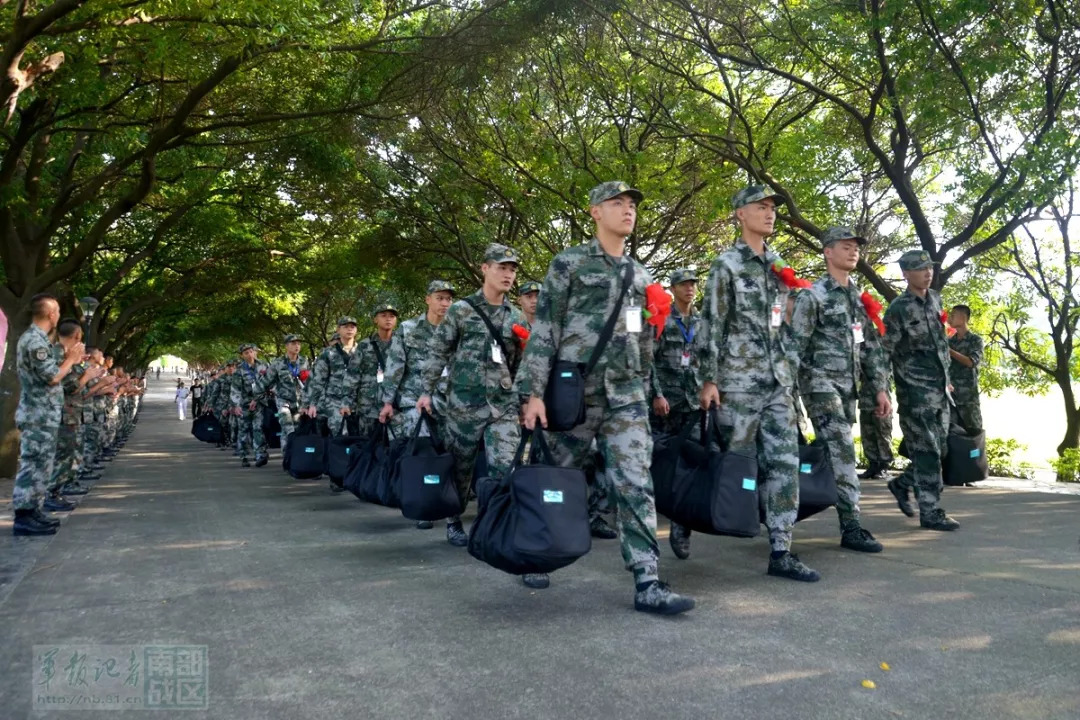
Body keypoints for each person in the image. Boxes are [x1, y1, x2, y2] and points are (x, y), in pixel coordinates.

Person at [518, 181, 694, 614]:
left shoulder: (641, 274)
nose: (628, 210)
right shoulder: (569, 263)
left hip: (627, 395)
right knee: (558, 475)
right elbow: (545, 332)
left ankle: (647, 579)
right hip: (575, 392)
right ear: (596, 212)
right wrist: (533, 394)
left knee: (636, 481)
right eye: (618, 203)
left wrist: (649, 388)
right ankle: (537, 552)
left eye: (632, 204)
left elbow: (646, 338)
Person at [697, 184, 820, 582]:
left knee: (785, 463)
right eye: (760, 207)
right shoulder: (727, 265)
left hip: (776, 383)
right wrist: (708, 379)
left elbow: (784, 321)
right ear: (740, 214)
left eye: (772, 208)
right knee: (730, 460)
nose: (769, 213)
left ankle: (781, 548)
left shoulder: (779, 265)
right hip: (738, 381)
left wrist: (791, 365)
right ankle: (688, 515)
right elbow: (712, 323)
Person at [789, 226, 893, 553]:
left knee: (827, 454)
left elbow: (869, 348)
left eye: (855, 247)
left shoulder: (858, 300)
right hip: (819, 385)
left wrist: (879, 389)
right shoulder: (813, 296)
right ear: (828, 252)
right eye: (845, 246)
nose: (853, 251)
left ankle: (778, 501)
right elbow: (795, 347)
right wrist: (786, 394)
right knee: (844, 450)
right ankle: (851, 526)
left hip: (848, 388)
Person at [417, 244, 527, 552]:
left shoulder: (516, 316)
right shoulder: (462, 310)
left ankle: (498, 524)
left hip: (502, 406)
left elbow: (521, 363)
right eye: (502, 267)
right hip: (464, 405)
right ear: (485, 269)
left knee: (506, 468)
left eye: (513, 269)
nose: (508, 274)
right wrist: (426, 392)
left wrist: (523, 400)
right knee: (461, 469)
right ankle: (454, 520)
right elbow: (439, 350)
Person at [883, 250, 960, 531]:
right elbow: (884, 351)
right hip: (915, 391)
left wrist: (947, 379)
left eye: (929, 267)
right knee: (927, 451)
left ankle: (902, 484)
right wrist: (883, 389)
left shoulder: (935, 299)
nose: (927, 272)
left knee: (938, 450)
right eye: (919, 268)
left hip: (940, 390)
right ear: (905, 274)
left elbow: (940, 343)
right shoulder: (898, 309)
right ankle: (931, 511)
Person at [12, 295, 84, 536]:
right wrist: (71, 360)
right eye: (57, 312)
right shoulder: (34, 341)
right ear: (51, 315)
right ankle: (24, 515)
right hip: (37, 415)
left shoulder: (39, 340)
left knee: (42, 465)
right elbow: (52, 376)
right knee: (33, 464)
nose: (58, 316)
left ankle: (34, 510)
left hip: (45, 415)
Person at [650, 268, 703, 559]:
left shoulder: (701, 321)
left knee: (690, 463)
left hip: (693, 404)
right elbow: (649, 360)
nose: (690, 288)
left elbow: (708, 358)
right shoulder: (663, 319)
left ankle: (681, 525)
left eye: (693, 284)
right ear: (673, 288)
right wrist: (657, 393)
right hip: (665, 404)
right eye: (684, 284)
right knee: (657, 460)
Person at [257, 335, 311, 450]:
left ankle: (290, 457)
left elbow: (309, 382)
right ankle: (288, 456)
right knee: (288, 427)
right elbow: (265, 381)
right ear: (286, 346)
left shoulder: (304, 361)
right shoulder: (278, 363)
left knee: (296, 429)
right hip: (283, 401)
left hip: (299, 402)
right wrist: (260, 399)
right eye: (293, 343)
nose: (297, 346)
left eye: (298, 343)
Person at [355, 305, 398, 437]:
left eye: (392, 316)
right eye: (383, 316)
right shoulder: (364, 345)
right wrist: (346, 402)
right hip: (368, 405)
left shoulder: (402, 343)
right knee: (367, 446)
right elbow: (353, 374)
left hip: (395, 405)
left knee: (396, 446)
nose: (388, 319)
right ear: (375, 319)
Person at [231, 344, 270, 468]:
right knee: (244, 430)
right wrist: (236, 405)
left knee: (258, 428)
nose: (249, 354)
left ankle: (259, 454)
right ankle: (243, 455)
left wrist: (260, 398)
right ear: (242, 355)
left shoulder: (263, 366)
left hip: (259, 403)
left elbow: (269, 382)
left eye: (251, 351)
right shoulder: (239, 370)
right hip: (244, 404)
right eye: (246, 352)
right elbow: (235, 389)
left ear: (255, 352)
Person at [948, 304, 984, 432]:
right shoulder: (950, 341)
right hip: (952, 398)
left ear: (963, 318)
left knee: (974, 435)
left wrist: (950, 352)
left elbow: (971, 362)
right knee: (953, 435)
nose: (949, 318)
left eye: (953, 315)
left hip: (968, 399)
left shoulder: (975, 340)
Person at [858, 364, 895, 479]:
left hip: (882, 398)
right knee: (867, 433)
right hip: (865, 399)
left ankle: (883, 466)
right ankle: (873, 465)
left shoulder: (882, 353)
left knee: (883, 432)